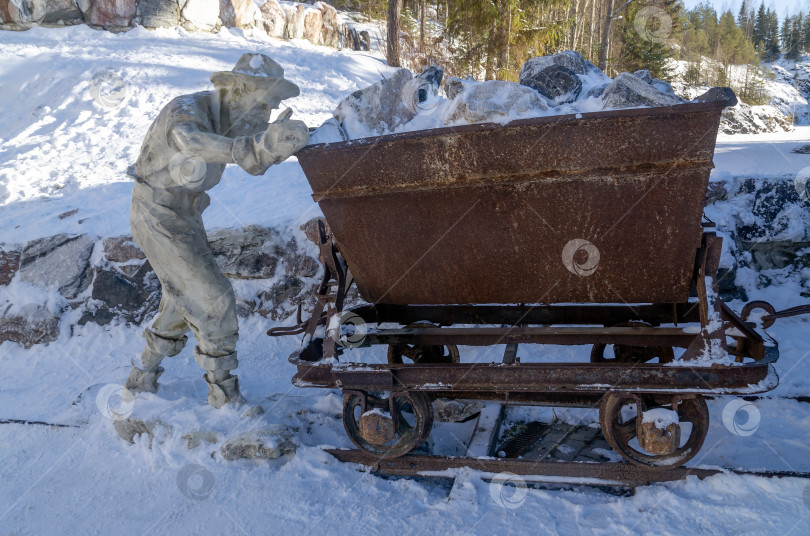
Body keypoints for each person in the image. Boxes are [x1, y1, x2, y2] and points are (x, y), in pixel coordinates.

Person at [125, 53, 309, 407]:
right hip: (156, 212)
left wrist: (282, 141)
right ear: (235, 90)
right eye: (264, 103)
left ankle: (141, 374)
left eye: (272, 108)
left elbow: (253, 150)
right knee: (214, 297)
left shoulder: (235, 119)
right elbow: (192, 143)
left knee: (182, 298)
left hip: (186, 214)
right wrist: (256, 146)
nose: (266, 114)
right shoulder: (186, 109)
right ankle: (223, 397)